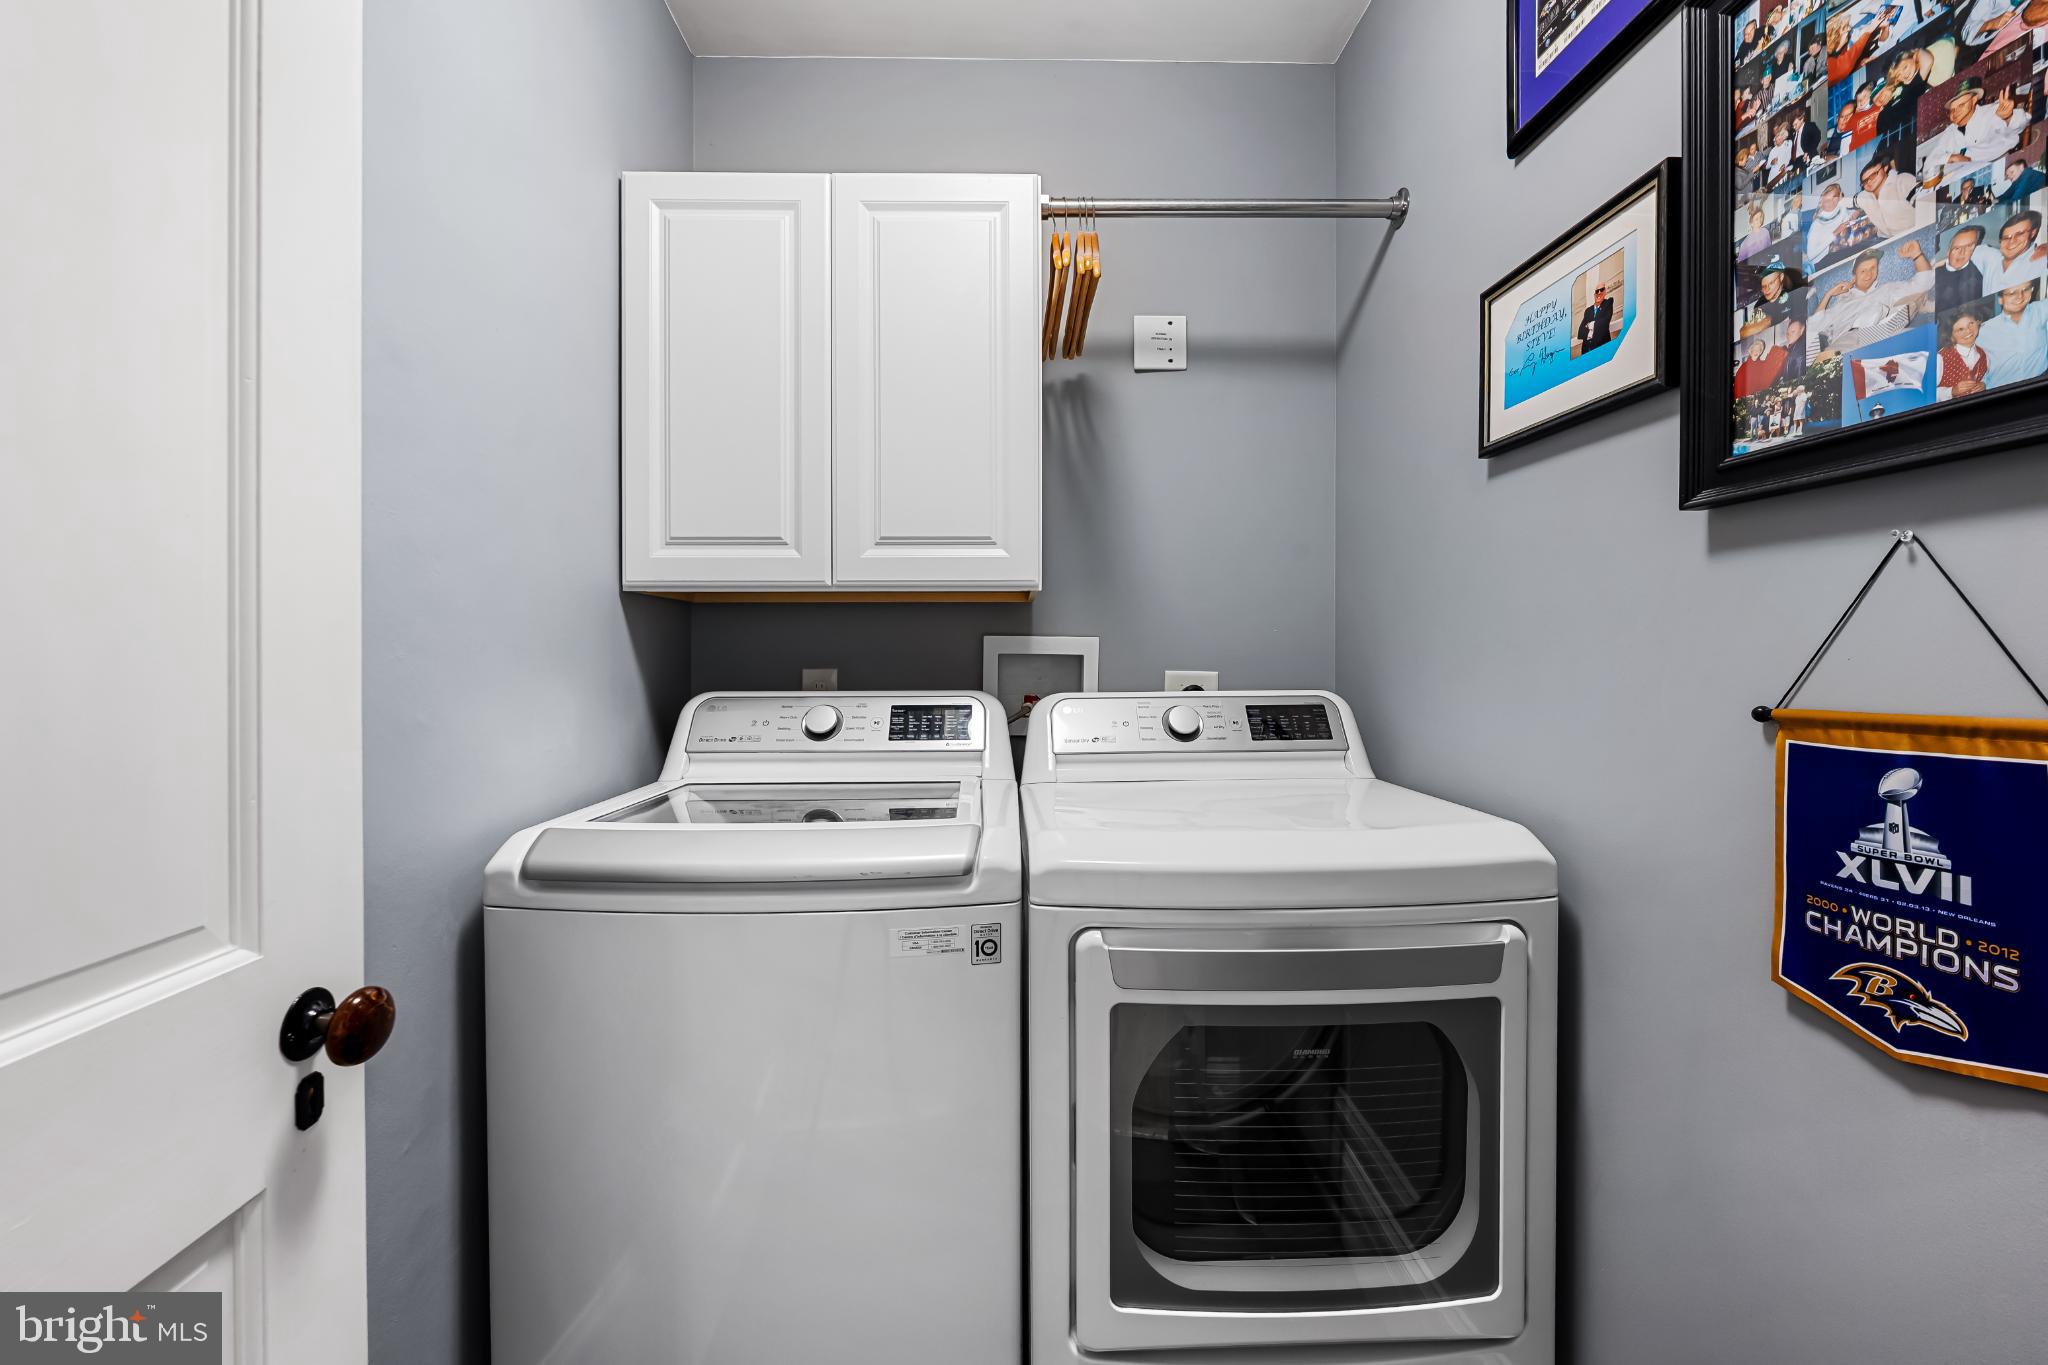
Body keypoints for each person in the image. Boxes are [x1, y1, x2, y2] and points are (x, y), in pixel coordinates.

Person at [1810, 241, 1935, 345]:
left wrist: (1917, 255)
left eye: (1872, 268)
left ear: (1878, 270)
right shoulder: (1843, 303)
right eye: (1863, 271)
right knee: (1875, 311)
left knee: (1891, 307)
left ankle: (1887, 326)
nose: (1868, 274)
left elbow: (1923, 283)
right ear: (1854, 275)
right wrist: (1828, 295)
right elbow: (1814, 325)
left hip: (1881, 333)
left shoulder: (1888, 289)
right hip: (1846, 343)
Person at [1920, 80, 2033, 186]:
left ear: (1974, 100)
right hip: (1968, 169)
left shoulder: (1991, 112)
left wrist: (2008, 117)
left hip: (1998, 162)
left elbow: (2023, 122)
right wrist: (1951, 157)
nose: (1955, 113)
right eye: (1952, 110)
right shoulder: (1951, 130)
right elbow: (1931, 159)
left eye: (1961, 105)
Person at [1976, 280, 2048, 386]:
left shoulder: (2040, 310)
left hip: (2038, 384)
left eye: (2026, 289)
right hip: (2000, 391)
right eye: (2012, 293)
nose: (2020, 296)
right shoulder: (1983, 330)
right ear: (2000, 299)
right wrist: (1982, 383)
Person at [1855, 154, 1923, 239]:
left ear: (1885, 168)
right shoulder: (1865, 196)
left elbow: (1924, 206)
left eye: (1873, 175)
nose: (1869, 182)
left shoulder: (1902, 181)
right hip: (1883, 239)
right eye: (1865, 182)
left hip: (1913, 235)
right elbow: (1848, 202)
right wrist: (1856, 211)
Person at [1979, 209, 2047, 292]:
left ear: (2033, 233)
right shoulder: (1990, 256)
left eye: (2020, 234)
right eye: (2006, 238)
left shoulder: (2039, 261)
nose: (2012, 241)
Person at [1936, 308, 1992, 398]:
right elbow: (1928, 395)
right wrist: (1952, 391)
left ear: (1978, 323)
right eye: (1960, 329)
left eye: (1971, 324)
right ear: (1951, 336)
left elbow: (1988, 378)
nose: (1968, 330)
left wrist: (1984, 385)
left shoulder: (1985, 355)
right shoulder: (1940, 358)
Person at [1934, 223, 1989, 310]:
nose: (1961, 253)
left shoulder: (1975, 280)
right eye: (1957, 248)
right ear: (1948, 252)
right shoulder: (1937, 270)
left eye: (1968, 247)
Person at [1735, 334, 1790, 398]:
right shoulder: (1743, 367)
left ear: (1761, 353)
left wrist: (1783, 350)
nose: (1757, 351)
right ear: (1751, 350)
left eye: (1760, 350)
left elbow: (1775, 366)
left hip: (1758, 398)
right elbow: (1737, 387)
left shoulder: (1763, 364)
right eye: (1755, 349)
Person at [1579, 283, 1616, 352]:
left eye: (1601, 290)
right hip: (1587, 350)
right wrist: (1597, 326)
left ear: (1605, 292)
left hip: (1602, 348)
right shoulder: (1588, 310)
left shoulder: (1608, 303)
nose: (1599, 292)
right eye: (1597, 291)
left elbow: (1605, 322)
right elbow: (1581, 331)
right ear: (1594, 295)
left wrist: (1590, 325)